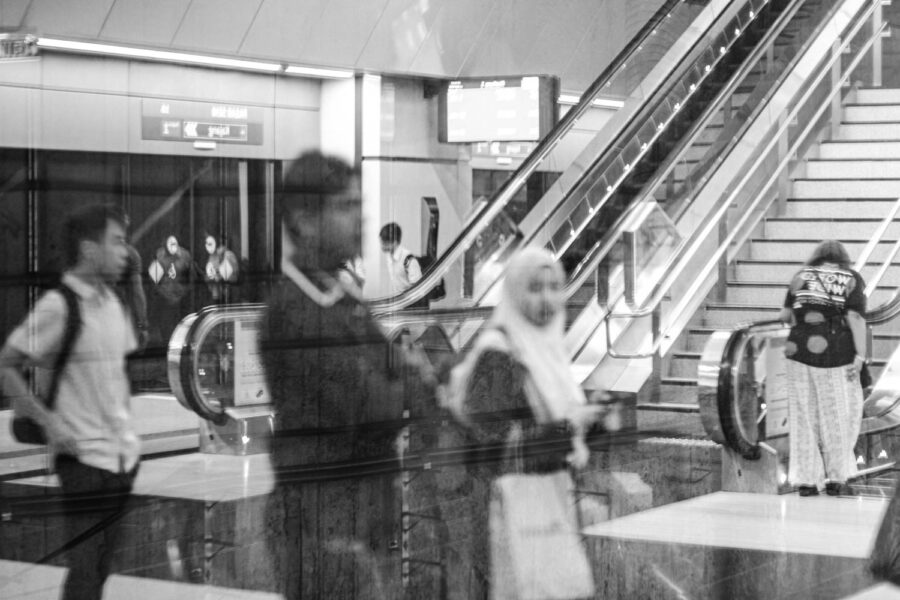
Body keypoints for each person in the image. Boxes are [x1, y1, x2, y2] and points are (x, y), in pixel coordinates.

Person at [260, 151, 433, 599]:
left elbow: (401, 377)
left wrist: (401, 377)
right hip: (324, 526)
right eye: (346, 207)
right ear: (304, 219)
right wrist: (402, 380)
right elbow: (367, 405)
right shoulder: (296, 311)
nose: (361, 219)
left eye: (360, 205)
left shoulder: (338, 297)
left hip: (362, 513)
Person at [442, 246, 602, 598]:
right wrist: (567, 430)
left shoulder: (546, 348)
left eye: (553, 287)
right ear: (513, 294)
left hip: (545, 499)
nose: (546, 299)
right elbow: (494, 443)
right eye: (533, 288)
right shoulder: (500, 351)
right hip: (508, 506)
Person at [0, 203, 139, 600]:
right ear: (89, 250)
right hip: (83, 462)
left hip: (120, 462)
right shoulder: (59, 306)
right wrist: (49, 421)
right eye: (116, 242)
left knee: (98, 570)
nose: (124, 251)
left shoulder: (114, 304)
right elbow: (7, 364)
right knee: (85, 571)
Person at [778, 239, 867, 497]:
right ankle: (837, 479)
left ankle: (806, 481)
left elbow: (785, 315)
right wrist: (861, 356)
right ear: (843, 258)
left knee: (803, 417)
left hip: (797, 352)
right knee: (837, 417)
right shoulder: (850, 278)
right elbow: (856, 318)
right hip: (835, 354)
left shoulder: (800, 276)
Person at [147, 234, 193, 343]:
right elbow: (154, 280)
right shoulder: (159, 256)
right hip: (165, 300)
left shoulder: (185, 255)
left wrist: (183, 292)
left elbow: (191, 277)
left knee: (181, 326)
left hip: (181, 300)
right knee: (166, 327)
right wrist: (164, 294)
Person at [379, 222, 425, 306]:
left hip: (412, 304)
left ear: (395, 242)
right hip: (401, 302)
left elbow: (418, 287)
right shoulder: (389, 257)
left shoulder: (408, 259)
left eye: (385, 243)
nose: (382, 246)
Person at [201, 233, 240, 304]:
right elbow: (208, 276)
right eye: (206, 244)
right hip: (215, 295)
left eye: (210, 244)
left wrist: (218, 275)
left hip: (227, 296)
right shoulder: (211, 257)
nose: (207, 247)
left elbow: (234, 277)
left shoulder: (228, 255)